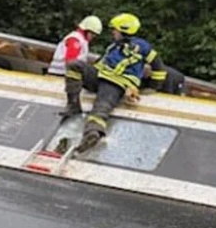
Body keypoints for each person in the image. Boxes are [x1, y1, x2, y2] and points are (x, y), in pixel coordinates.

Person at [62, 13, 152, 152]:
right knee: (75, 66)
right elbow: (99, 62)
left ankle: (93, 133)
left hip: (116, 84)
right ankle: (73, 104)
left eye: (114, 29)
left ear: (122, 30)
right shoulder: (115, 46)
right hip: (100, 77)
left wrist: (151, 88)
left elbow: (158, 68)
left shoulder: (141, 48)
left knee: (101, 108)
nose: (112, 32)